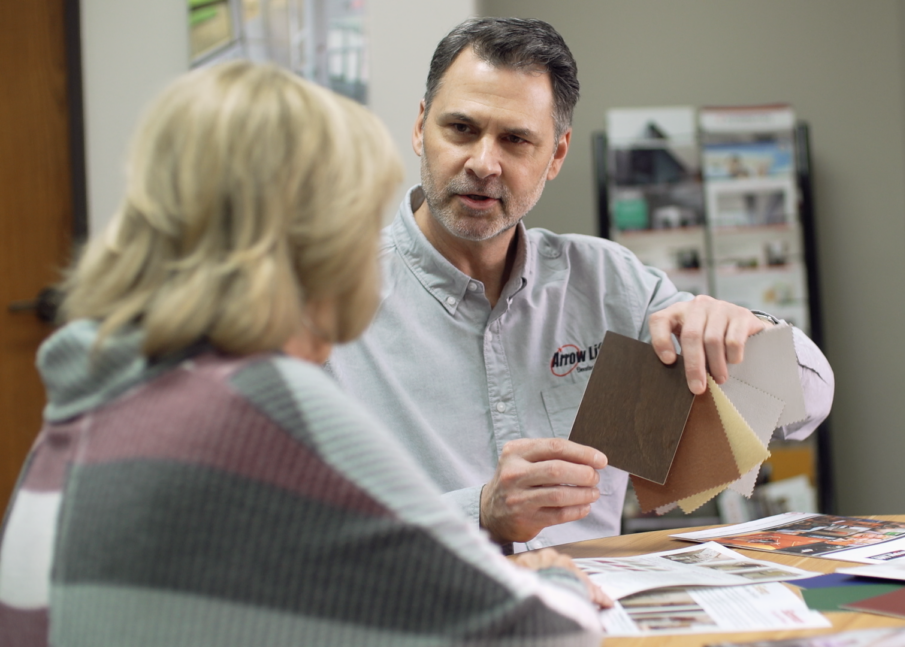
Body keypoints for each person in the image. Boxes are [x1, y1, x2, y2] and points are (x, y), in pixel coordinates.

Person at [0, 61, 605, 646]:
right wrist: (553, 578)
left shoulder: (101, 391)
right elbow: (543, 634)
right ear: (319, 243)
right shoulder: (260, 405)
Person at [328, 17, 835, 553]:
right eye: (461, 129)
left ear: (557, 155)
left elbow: (806, 407)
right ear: (420, 127)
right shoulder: (326, 296)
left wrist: (748, 331)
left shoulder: (607, 284)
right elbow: (279, 526)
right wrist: (477, 512)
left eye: (516, 140)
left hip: (593, 621)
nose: (483, 163)